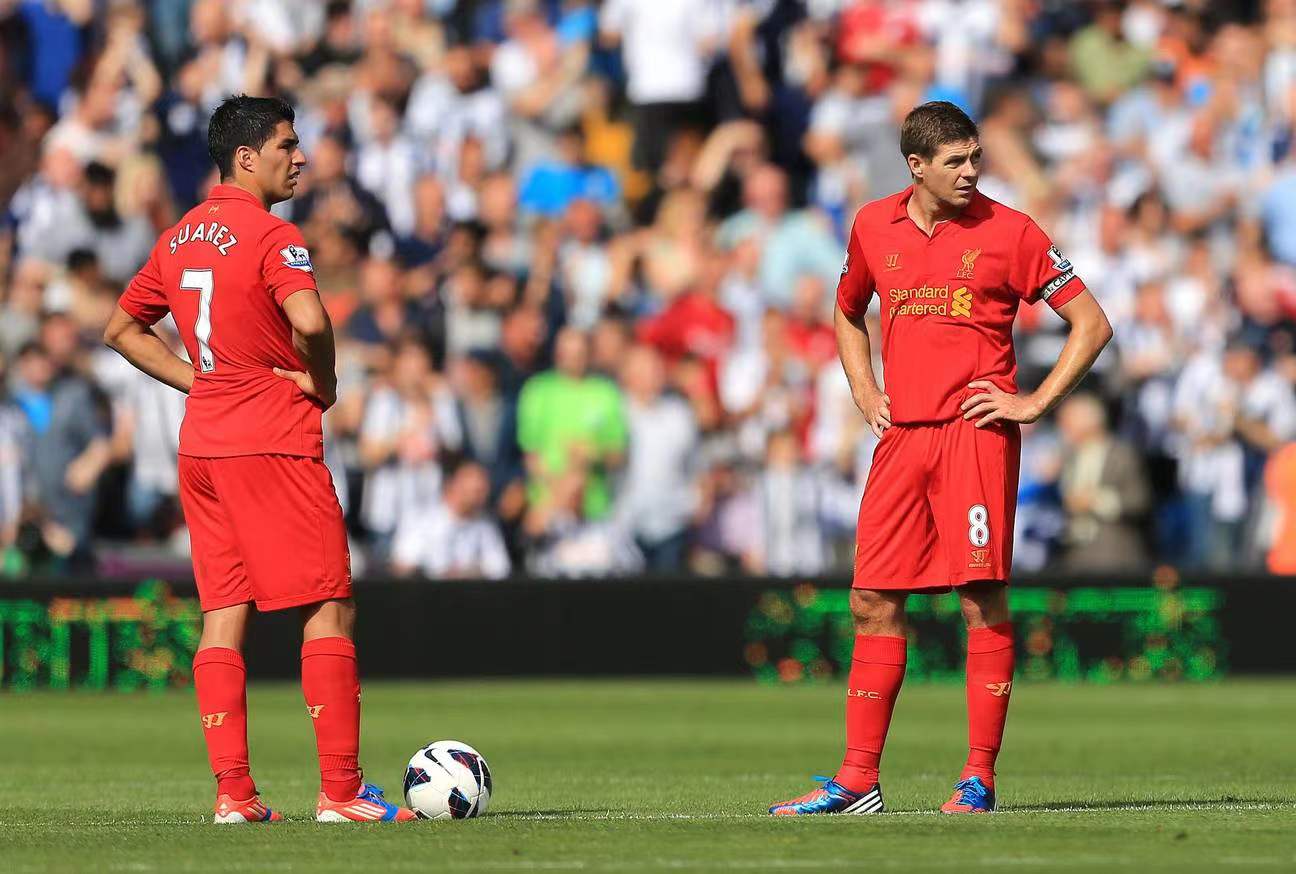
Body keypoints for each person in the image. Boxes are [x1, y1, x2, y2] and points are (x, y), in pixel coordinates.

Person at [768, 102, 1112, 817]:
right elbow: (847, 307)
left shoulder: (1011, 231)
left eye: (975, 157)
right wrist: (864, 387)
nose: (971, 171)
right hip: (902, 439)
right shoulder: (871, 226)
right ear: (915, 166)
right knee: (870, 601)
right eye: (955, 161)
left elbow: (1092, 322)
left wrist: (1036, 401)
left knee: (979, 599)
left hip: (973, 435)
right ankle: (857, 781)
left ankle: (978, 777)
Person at [103, 95, 414, 824]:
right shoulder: (275, 235)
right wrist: (326, 384)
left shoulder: (177, 237)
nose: (299, 156)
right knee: (328, 603)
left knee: (223, 613)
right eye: (287, 144)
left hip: (204, 445)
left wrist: (202, 380)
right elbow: (310, 318)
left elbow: (121, 328)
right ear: (246, 157)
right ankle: (340, 792)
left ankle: (234, 794)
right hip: (271, 439)